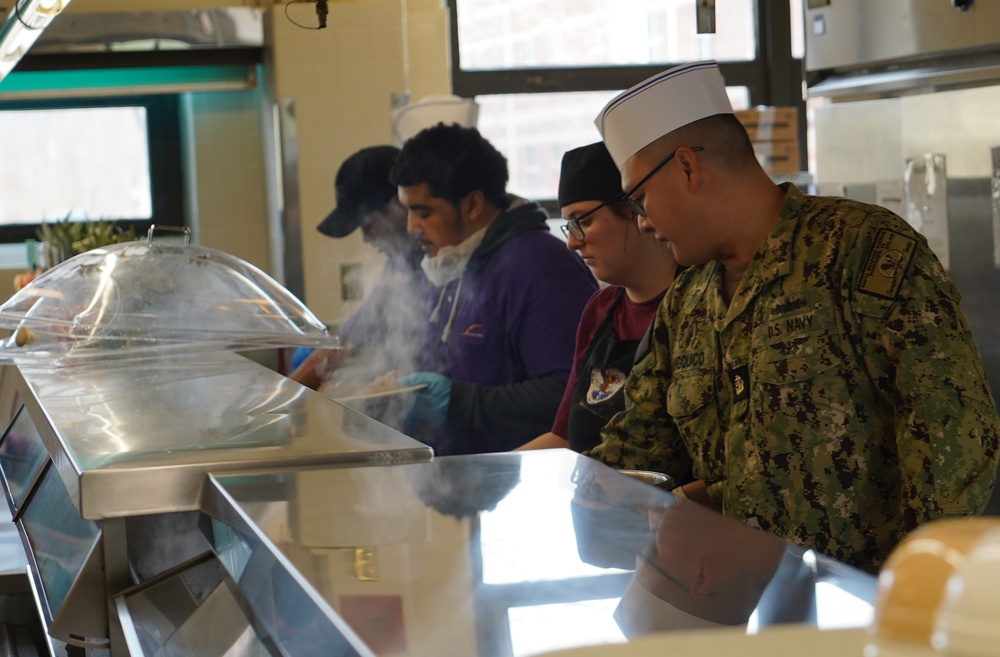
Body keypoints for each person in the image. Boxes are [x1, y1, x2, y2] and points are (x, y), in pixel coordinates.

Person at [587, 60, 1000, 573]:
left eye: (639, 198)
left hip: (856, 608)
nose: (643, 222)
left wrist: (912, 586)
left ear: (688, 168)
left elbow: (953, 440)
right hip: (732, 601)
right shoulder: (686, 298)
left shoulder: (861, 250)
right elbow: (642, 448)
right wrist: (590, 493)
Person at [389, 123, 599, 455]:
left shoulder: (539, 266)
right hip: (459, 477)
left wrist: (461, 402)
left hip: (520, 480)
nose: (412, 228)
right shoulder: (452, 261)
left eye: (423, 212)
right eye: (408, 211)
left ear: (472, 205)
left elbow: (571, 395)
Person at [516, 141, 679, 454]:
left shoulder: (696, 303)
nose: (572, 243)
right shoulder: (601, 308)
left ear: (635, 210)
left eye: (584, 221)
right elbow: (564, 439)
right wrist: (485, 479)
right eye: (569, 226)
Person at [288, 145, 434, 390]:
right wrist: (283, 400)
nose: (366, 239)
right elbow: (347, 344)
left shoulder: (444, 262)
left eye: (367, 225)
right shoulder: (400, 267)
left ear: (399, 204)